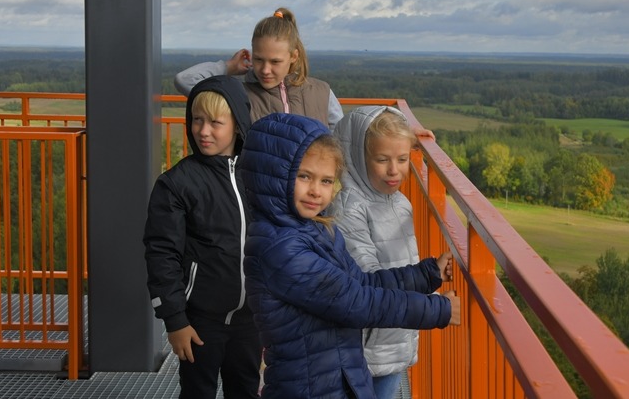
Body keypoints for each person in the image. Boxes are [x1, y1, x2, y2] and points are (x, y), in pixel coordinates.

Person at [238, 112, 460, 399]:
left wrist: (426, 274)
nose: (316, 191)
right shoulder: (281, 249)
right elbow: (355, 302)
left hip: (333, 375)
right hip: (307, 387)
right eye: (304, 176)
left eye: (327, 181)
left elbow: (362, 283)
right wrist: (437, 309)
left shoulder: (313, 230)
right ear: (272, 174)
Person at [143, 75, 262, 399]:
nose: (203, 131)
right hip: (199, 322)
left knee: (246, 391)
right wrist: (175, 321)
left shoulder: (257, 176)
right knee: (198, 393)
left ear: (237, 125)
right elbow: (161, 254)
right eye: (197, 120)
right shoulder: (177, 183)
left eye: (215, 122)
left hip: (251, 321)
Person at [332, 105, 431, 399]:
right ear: (359, 159)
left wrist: (413, 137)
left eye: (402, 159)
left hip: (394, 332)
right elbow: (368, 276)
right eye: (382, 159)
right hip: (364, 341)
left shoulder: (399, 202)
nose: (394, 170)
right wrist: (429, 295)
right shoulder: (350, 206)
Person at [174, 7, 343, 130]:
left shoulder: (322, 93)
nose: (265, 70)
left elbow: (340, 143)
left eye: (275, 61)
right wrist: (228, 67)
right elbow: (185, 80)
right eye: (259, 59)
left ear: (294, 56)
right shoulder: (238, 94)